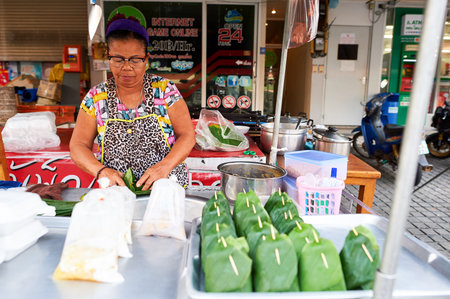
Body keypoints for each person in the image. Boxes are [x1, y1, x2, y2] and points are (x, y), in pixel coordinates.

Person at [70, 15, 195, 190]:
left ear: (146, 58)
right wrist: (101, 171)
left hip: (167, 190)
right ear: (108, 57)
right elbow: (78, 145)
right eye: (119, 59)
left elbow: (187, 135)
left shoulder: (165, 90)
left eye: (135, 59)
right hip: (117, 194)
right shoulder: (96, 97)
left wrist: (165, 166)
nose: (127, 67)